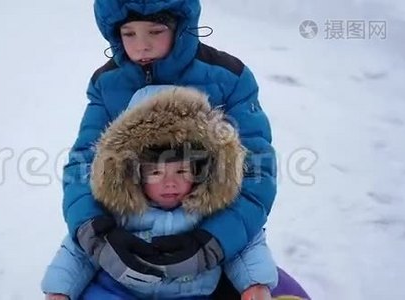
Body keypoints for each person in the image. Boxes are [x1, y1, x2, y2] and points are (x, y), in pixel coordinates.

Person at [61, 0, 277, 286]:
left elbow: (256, 169)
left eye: (155, 31)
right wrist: (99, 235)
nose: (142, 47)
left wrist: (213, 242)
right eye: (129, 34)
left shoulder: (228, 77)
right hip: (134, 227)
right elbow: (84, 164)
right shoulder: (107, 83)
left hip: (206, 228)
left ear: (180, 27)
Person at [42, 86, 278, 299]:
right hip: (122, 290)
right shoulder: (119, 208)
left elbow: (243, 244)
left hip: (191, 293)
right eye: (156, 173)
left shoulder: (211, 208)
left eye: (182, 171)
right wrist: (60, 290)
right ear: (134, 172)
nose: (170, 183)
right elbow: (80, 250)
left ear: (201, 170)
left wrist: (255, 283)